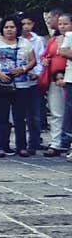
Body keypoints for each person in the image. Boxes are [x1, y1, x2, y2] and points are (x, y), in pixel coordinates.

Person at [0, 14, 37, 157]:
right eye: (6, 27)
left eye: (12, 27)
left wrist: (23, 69)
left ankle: (21, 147)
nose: (9, 30)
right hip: (1, 84)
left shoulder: (25, 43)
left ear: (17, 28)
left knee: (20, 117)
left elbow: (33, 61)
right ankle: (1, 146)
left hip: (22, 85)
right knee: (1, 116)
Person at [43, 12, 71, 156]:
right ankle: (56, 142)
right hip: (55, 81)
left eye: (65, 23)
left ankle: (68, 142)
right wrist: (45, 61)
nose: (62, 26)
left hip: (68, 79)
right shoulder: (53, 40)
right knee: (56, 112)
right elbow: (46, 54)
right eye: (60, 24)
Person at [20, 10, 47, 152]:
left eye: (28, 24)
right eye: (23, 24)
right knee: (20, 114)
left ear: (33, 24)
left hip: (34, 81)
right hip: (19, 81)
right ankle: (22, 142)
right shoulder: (16, 39)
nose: (25, 27)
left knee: (35, 114)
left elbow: (42, 58)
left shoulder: (38, 40)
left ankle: (35, 141)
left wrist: (36, 73)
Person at [57, 14, 72, 161]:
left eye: (65, 23)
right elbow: (63, 51)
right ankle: (67, 141)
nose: (62, 26)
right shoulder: (69, 35)